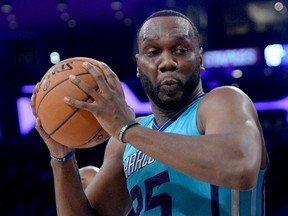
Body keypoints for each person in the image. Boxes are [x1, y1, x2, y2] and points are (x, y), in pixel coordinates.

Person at [31, 10, 269, 216]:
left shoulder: (222, 102)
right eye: (153, 52)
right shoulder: (123, 144)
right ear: (138, 64)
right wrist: (61, 158)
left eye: (181, 49)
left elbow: (239, 167)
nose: (167, 62)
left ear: (200, 59)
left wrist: (128, 129)